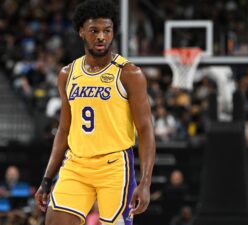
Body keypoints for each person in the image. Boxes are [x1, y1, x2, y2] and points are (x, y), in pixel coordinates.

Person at [34, 1, 156, 225]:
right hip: (76, 164)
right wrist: (47, 178)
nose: (101, 36)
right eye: (94, 31)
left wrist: (145, 182)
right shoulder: (67, 74)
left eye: (106, 31)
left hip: (114, 166)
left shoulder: (129, 73)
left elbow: (146, 129)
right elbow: (63, 129)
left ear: (113, 33)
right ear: (81, 32)